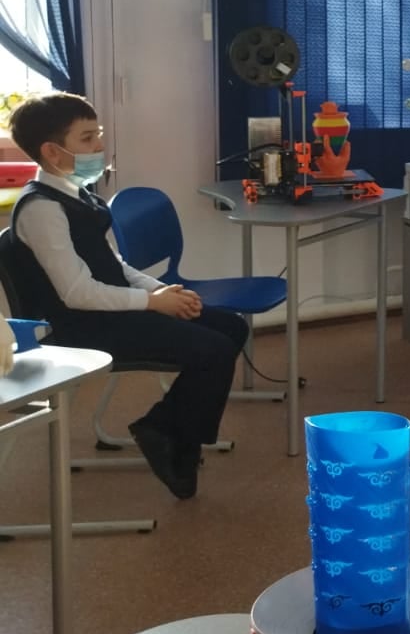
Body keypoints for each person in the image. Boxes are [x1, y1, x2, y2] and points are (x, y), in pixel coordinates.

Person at [4, 93, 244, 499]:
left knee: (231, 327)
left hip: (112, 308)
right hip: (80, 326)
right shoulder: (41, 209)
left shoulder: (79, 194)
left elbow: (113, 264)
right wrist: (153, 303)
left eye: (97, 134)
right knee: (214, 351)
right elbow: (77, 292)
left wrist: (159, 289)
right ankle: (170, 436)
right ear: (52, 151)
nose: (100, 145)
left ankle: (168, 429)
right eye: (87, 138)